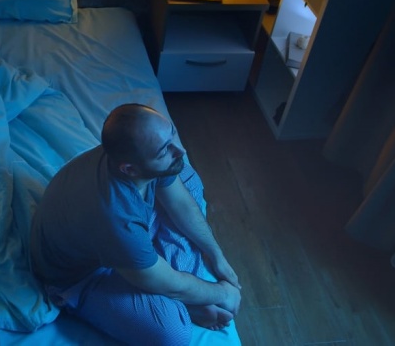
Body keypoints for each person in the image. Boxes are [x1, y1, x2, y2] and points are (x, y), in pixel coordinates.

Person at [30, 103, 241, 345]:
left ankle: (165, 281)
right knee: (173, 334)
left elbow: (180, 203)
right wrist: (224, 293)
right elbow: (167, 282)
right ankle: (179, 299)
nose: (180, 149)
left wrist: (216, 255)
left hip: (115, 241)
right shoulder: (115, 216)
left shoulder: (141, 153)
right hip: (82, 276)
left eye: (171, 133)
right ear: (129, 169)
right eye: (165, 151)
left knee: (186, 178)